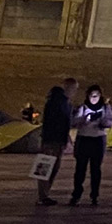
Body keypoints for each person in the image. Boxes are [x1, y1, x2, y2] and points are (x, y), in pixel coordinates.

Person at [69, 84, 112, 206]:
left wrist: (103, 122)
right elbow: (74, 122)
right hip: (84, 139)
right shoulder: (83, 107)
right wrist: (84, 119)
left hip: (98, 139)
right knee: (80, 169)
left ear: (100, 96)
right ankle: (76, 195)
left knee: (96, 169)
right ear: (88, 96)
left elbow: (110, 121)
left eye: (96, 96)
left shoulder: (105, 107)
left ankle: (94, 195)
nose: (94, 98)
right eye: (92, 95)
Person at [36, 78, 77, 206]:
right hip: (51, 140)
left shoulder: (65, 103)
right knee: (45, 167)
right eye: (73, 89)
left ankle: (44, 195)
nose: (74, 92)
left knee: (53, 168)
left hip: (58, 140)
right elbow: (56, 122)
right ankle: (42, 196)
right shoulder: (56, 102)